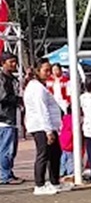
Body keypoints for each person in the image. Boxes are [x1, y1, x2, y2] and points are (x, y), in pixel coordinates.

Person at [24, 59, 64, 195]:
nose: (48, 73)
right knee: (43, 154)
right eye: (45, 70)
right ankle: (39, 184)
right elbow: (42, 110)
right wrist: (48, 131)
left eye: (49, 70)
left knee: (55, 153)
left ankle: (55, 181)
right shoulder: (36, 88)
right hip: (40, 126)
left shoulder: (41, 86)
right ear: (37, 71)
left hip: (48, 125)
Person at [0, 52, 23, 185]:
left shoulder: (12, 79)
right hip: (4, 118)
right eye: (11, 62)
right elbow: (3, 97)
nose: (14, 65)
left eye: (15, 61)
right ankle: (4, 175)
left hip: (12, 117)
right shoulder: (2, 79)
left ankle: (7, 171)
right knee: (6, 149)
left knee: (11, 149)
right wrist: (18, 100)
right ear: (3, 63)